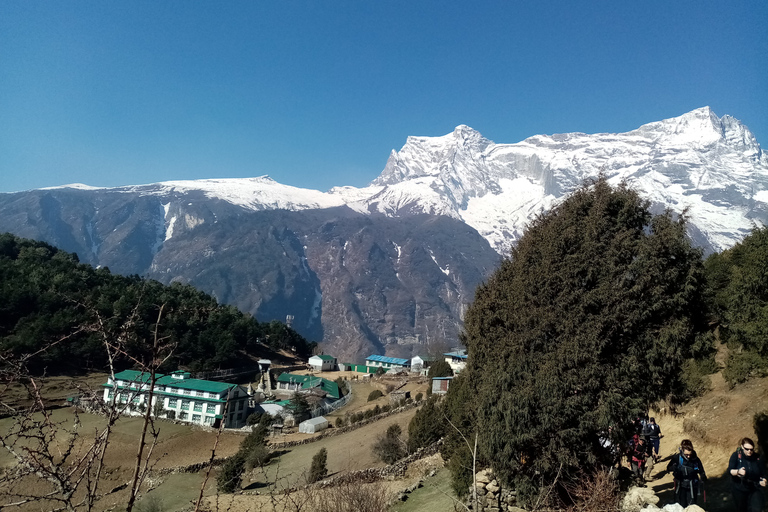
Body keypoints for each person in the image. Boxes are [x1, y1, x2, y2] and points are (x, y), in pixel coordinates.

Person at [728, 437, 767, 512]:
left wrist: (764, 480)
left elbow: (764, 473)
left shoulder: (757, 458)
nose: (749, 451)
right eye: (747, 449)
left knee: (757, 509)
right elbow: (730, 470)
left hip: (754, 487)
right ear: (742, 447)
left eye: (751, 449)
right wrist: (738, 472)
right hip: (739, 489)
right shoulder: (736, 456)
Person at [667, 439, 707, 507]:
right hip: (681, 484)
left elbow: (701, 469)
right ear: (682, 450)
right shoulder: (677, 458)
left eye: (690, 454)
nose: (688, 456)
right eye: (686, 455)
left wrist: (703, 476)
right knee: (682, 504)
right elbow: (668, 468)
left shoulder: (695, 458)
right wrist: (674, 468)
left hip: (692, 484)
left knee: (692, 504)